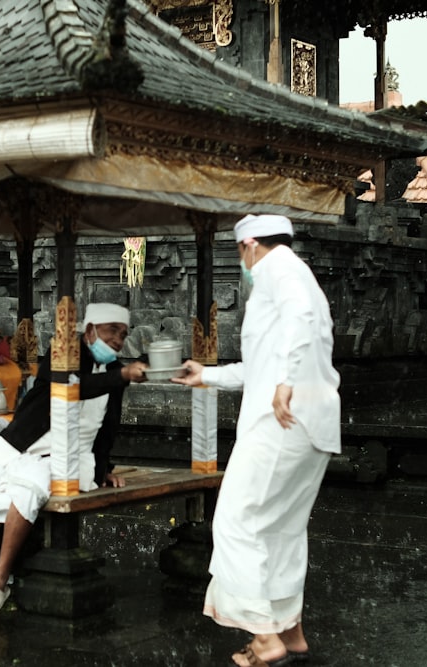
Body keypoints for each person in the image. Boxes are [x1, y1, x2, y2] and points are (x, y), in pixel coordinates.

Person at [172, 214, 340, 666]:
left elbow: (296, 332)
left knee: (236, 523)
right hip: (313, 420)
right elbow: (263, 365)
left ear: (249, 244)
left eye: (239, 252)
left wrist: (285, 382)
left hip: (282, 419)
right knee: (281, 529)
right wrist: (205, 374)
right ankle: (291, 631)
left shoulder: (277, 268)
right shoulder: (296, 274)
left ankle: (265, 639)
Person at [0, 303, 148, 614]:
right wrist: (124, 374)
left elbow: (108, 427)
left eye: (123, 335)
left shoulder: (115, 372)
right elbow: (70, 387)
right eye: (112, 331)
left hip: (67, 458)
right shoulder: (63, 354)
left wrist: (105, 469)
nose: (118, 340)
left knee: (25, 491)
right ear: (89, 331)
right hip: (18, 445)